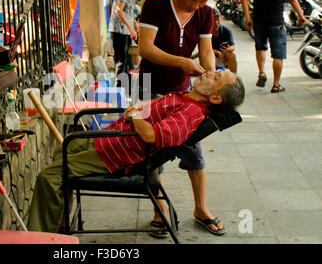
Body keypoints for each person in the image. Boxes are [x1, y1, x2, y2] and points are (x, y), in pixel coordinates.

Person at [27, 70, 245, 234]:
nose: (209, 72)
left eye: (215, 78)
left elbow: (151, 136)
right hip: (111, 138)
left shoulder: (190, 114)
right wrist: (140, 108)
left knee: (48, 178)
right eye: (216, 71)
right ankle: (60, 220)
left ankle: (41, 235)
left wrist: (135, 116)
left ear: (216, 98)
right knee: (64, 150)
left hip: (115, 153)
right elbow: (157, 107)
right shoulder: (186, 96)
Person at [137, 0, 220, 236]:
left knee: (193, 148)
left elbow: (206, 51)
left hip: (182, 91)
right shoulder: (155, 3)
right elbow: (145, 48)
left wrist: (209, 77)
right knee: (154, 150)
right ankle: (159, 209)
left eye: (203, 0)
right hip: (150, 87)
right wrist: (181, 62)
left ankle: (200, 208)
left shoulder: (206, 13)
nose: (196, 5)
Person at [241, 0, 305, 93]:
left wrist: (248, 17)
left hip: (258, 22)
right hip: (276, 23)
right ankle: (276, 84)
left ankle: (262, 73)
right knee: (278, 55)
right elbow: (293, 0)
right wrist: (301, 16)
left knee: (260, 48)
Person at [108, 0, 146, 78]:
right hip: (119, 30)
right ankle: (120, 87)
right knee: (121, 60)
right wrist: (131, 28)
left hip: (125, 30)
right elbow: (119, 10)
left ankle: (126, 86)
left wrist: (135, 25)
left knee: (128, 60)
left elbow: (128, 12)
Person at [211, 8, 237, 73]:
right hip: (211, 56)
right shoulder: (206, 31)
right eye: (214, 20)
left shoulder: (226, 31)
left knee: (232, 55)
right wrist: (218, 53)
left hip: (224, 57)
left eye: (218, 19)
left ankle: (234, 77)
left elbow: (233, 45)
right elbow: (204, 49)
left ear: (221, 19)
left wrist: (229, 49)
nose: (216, 23)